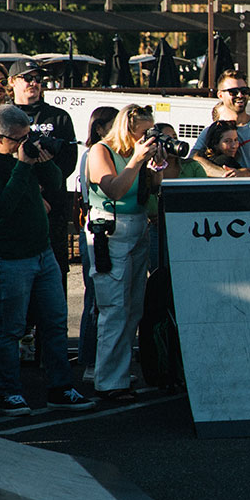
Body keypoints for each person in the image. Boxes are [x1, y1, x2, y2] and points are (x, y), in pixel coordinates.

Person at [0, 106, 95, 414]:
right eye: (18, 139)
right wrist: (22, 165)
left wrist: (42, 162)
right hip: (8, 258)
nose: (24, 144)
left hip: (42, 252)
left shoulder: (25, 155)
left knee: (56, 323)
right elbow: (3, 205)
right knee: (11, 328)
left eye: (27, 137)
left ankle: (61, 387)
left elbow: (57, 184)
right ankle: (9, 392)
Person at [86, 104, 164, 402]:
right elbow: (114, 190)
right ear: (127, 129)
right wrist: (136, 160)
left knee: (133, 306)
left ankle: (119, 374)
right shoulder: (101, 151)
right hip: (111, 229)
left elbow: (153, 189)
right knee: (114, 307)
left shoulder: (140, 153)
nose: (147, 138)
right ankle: (108, 381)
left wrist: (155, 164)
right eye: (144, 132)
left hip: (138, 225)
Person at [9, 60, 77, 294]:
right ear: (13, 82)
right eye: (28, 78)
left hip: (53, 207)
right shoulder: (3, 116)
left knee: (55, 274)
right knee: (18, 275)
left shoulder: (59, 117)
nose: (34, 83)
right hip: (18, 205)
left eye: (38, 79)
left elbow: (69, 159)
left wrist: (47, 180)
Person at [74, 107, 118, 383]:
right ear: (100, 128)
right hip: (96, 229)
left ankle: (95, 359)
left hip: (95, 226)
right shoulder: (95, 153)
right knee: (96, 298)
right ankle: (90, 360)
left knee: (100, 297)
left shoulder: (103, 153)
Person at [189, 71, 250, 177]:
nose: (240, 95)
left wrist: (244, 173)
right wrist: (225, 174)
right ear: (220, 95)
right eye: (233, 92)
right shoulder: (214, 129)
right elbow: (193, 159)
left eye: (244, 91)